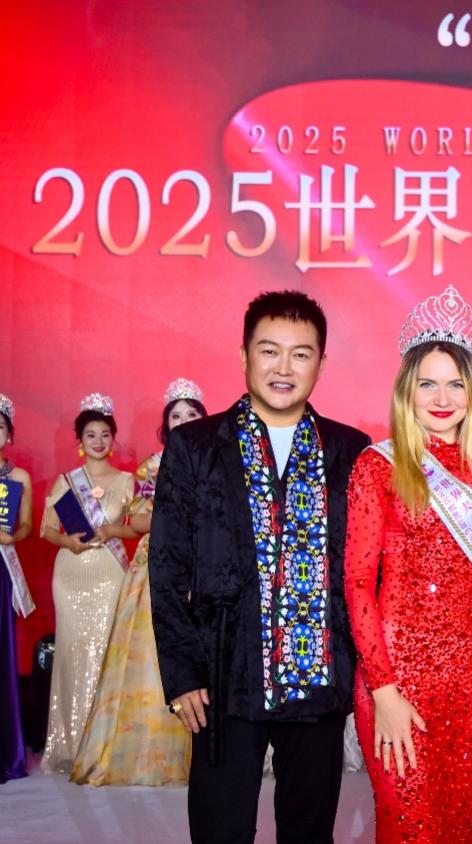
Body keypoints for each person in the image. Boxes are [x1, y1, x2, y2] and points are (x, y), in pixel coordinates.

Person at [149, 291, 370, 843]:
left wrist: (357, 668)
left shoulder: (351, 451)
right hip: (224, 677)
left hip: (318, 679)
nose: (283, 367)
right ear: (244, 354)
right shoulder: (195, 446)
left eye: (301, 354)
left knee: (309, 831)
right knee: (220, 829)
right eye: (269, 351)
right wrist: (183, 675)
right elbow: (167, 566)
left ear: (321, 363)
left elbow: (366, 569)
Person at [344, 286, 472, 843]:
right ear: (406, 389)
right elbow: (356, 584)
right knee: (406, 825)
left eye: (455, 384)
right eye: (427, 383)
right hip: (397, 676)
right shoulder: (378, 466)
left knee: (458, 828)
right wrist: (384, 691)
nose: (442, 397)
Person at [72, 379, 206, 785]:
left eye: (192, 414)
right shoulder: (152, 466)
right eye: (176, 415)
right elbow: (138, 520)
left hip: (206, 563)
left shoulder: (218, 458)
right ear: (166, 424)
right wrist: (181, 513)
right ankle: (148, 750)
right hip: (159, 564)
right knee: (152, 655)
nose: (184, 420)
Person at [40, 393, 137, 774]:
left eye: (105, 434)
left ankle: (105, 745)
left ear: (113, 439)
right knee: (71, 653)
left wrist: (112, 530)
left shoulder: (127, 481)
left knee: (106, 653)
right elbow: (47, 529)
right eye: (90, 435)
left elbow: (137, 526)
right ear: (80, 441)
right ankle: (70, 744)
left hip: (110, 572)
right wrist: (67, 542)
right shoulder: (66, 482)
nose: (98, 441)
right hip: (70, 574)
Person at [0, 394, 35, 784]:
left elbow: (25, 526)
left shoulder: (19, 478)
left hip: (1, 568)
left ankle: (6, 751)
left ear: (9, 434)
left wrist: (12, 536)